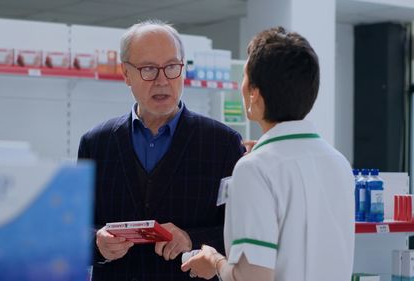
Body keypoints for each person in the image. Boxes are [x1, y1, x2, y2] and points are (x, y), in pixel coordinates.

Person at [181, 26, 355, 281]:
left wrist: (214, 262)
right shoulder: (338, 163)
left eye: (244, 77)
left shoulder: (254, 169)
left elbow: (252, 277)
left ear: (255, 94)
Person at [77, 19, 245, 281]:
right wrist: (96, 242)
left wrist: (190, 239)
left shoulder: (222, 143)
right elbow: (74, 228)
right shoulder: (96, 143)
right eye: (148, 69)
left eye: (171, 67)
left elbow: (238, 232)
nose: (162, 80)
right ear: (126, 74)